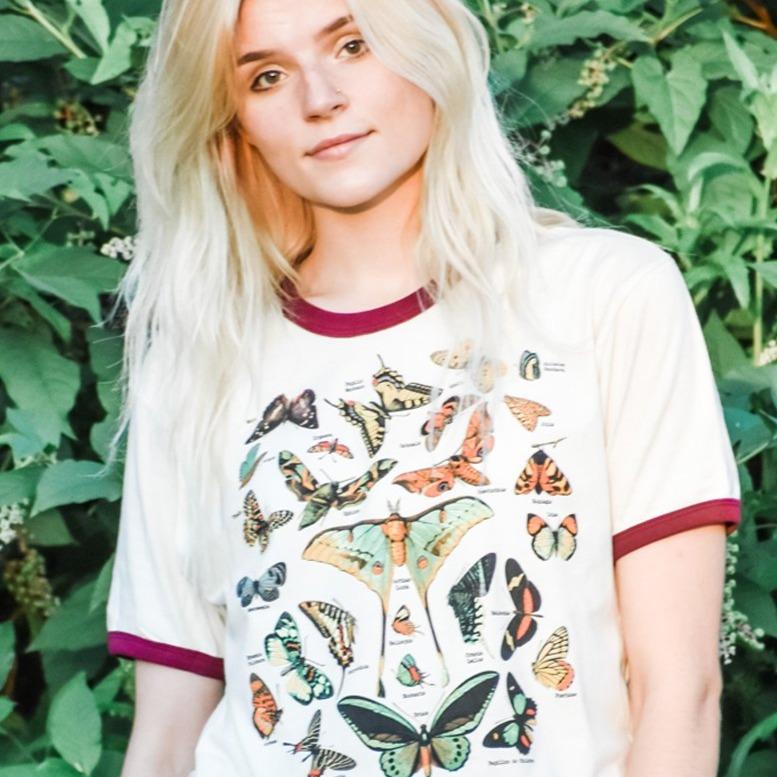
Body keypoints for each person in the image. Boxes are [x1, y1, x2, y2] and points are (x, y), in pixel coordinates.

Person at [105, 1, 742, 776]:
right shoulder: (197, 362)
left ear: (425, 41)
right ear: (233, 125)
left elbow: (681, 691)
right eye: (266, 77)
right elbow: (166, 732)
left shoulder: (603, 294)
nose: (320, 97)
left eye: (353, 43)